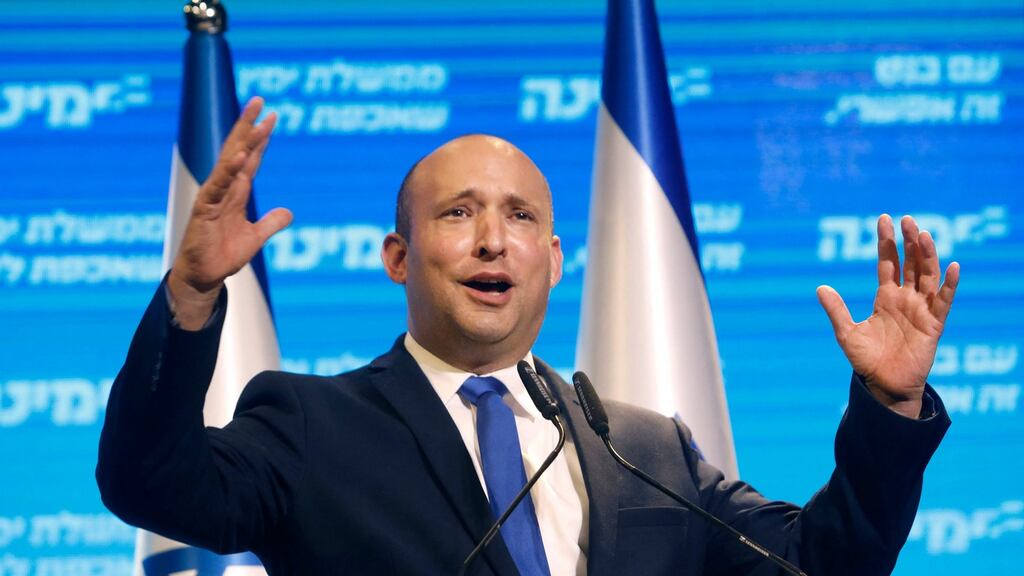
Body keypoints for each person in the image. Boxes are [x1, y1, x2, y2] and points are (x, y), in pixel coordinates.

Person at [97, 97, 960, 575]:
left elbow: (822, 565)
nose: (491, 241)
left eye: (518, 217)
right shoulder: (311, 425)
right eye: (457, 213)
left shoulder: (647, 450)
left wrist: (890, 403)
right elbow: (150, 485)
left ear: (551, 261)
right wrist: (191, 292)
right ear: (398, 258)